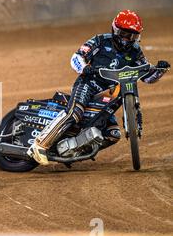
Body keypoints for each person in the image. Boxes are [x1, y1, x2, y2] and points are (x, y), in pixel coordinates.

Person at [28, 10, 170, 165]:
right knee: (75, 113)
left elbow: (146, 77)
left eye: (132, 36)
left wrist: (158, 71)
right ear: (115, 30)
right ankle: (39, 144)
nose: (127, 39)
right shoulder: (100, 41)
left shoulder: (135, 50)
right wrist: (84, 68)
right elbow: (77, 57)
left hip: (110, 95)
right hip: (88, 85)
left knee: (113, 134)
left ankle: (72, 150)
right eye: (124, 34)